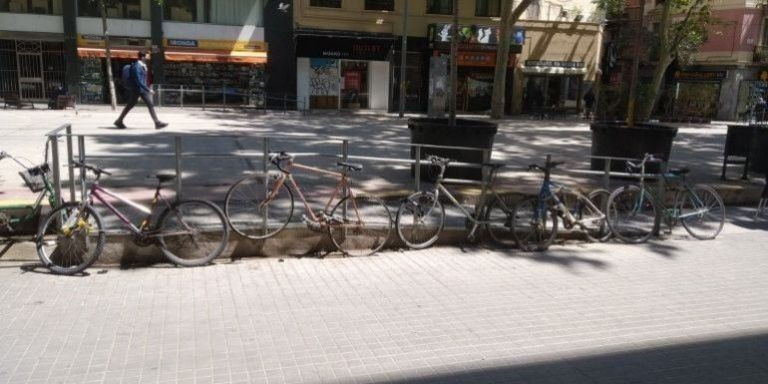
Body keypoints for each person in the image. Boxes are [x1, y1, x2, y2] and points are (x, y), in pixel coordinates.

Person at [114, 51, 168, 129]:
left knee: (131, 105)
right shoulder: (137, 67)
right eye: (147, 56)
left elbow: (142, 79)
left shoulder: (142, 65)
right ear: (143, 57)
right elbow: (138, 80)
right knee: (149, 104)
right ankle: (157, 123)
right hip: (139, 89)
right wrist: (148, 89)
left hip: (140, 89)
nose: (149, 57)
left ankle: (119, 121)